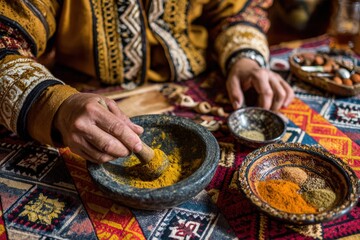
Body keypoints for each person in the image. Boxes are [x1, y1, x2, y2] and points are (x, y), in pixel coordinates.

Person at [0, 0, 294, 163]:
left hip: (202, 90)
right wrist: (59, 106)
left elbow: (238, 11)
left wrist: (244, 58)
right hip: (86, 109)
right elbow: (5, 40)